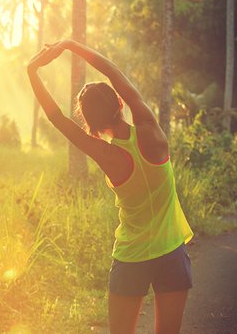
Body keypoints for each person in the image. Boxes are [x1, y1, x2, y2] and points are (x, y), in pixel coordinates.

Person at [26, 39, 194, 334]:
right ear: (120, 103)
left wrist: (31, 72)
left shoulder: (105, 155)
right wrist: (69, 44)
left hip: (131, 258)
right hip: (171, 253)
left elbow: (56, 118)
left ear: (90, 124)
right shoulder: (150, 129)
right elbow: (112, 71)